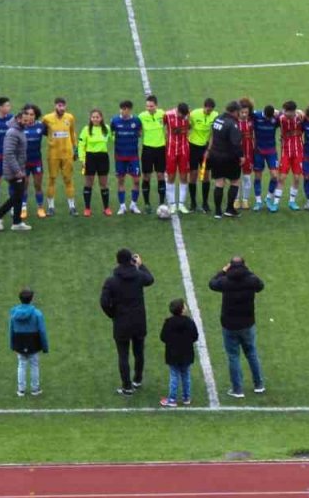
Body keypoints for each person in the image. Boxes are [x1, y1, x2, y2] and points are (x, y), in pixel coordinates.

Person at [208, 255, 265, 398]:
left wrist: (222, 270)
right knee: (251, 353)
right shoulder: (251, 280)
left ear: (231, 266)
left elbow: (212, 283)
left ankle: (237, 389)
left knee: (233, 356)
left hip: (230, 325)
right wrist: (248, 271)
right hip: (247, 323)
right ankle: (259, 384)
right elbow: (260, 285)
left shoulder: (226, 281)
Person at [100, 248, 155, 395]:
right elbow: (150, 279)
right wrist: (141, 265)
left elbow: (104, 303)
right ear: (131, 260)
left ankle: (127, 386)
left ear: (118, 261)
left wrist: (113, 314)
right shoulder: (138, 275)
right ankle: (137, 379)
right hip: (138, 321)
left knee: (123, 355)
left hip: (121, 322)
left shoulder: (111, 281)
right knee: (139, 352)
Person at [0, 104, 37, 231]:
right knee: (17, 196)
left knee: (19, 194)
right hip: (14, 171)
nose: (27, 123)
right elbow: (9, 154)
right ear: (18, 119)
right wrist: (17, 171)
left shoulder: (19, 130)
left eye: (29, 121)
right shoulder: (13, 132)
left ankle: (17, 223)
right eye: (25, 120)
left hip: (17, 169)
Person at [41, 97, 79, 216]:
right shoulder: (47, 119)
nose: (61, 108)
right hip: (53, 154)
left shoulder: (70, 117)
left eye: (63, 106)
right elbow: (43, 132)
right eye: (59, 106)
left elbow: (72, 133)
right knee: (52, 179)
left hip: (67, 154)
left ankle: (72, 207)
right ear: (55, 106)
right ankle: (51, 207)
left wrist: (75, 149)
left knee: (68, 179)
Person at [207, 100, 244, 218]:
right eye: (239, 112)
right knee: (235, 181)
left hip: (215, 155)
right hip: (229, 157)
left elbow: (212, 135)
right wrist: (241, 156)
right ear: (235, 111)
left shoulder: (218, 118)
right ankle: (229, 209)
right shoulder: (232, 124)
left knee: (219, 182)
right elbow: (235, 143)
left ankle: (218, 211)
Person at [9, 287, 49, 397]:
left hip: (19, 342)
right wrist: (45, 347)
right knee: (34, 365)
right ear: (31, 299)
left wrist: (12, 345)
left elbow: (11, 329)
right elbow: (42, 331)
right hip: (33, 343)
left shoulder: (14, 313)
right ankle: (35, 389)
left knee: (21, 364)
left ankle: (21, 390)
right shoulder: (37, 314)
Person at [159, 298, 198, 408]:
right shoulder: (189, 322)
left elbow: (163, 337)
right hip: (187, 354)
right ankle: (186, 398)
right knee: (186, 375)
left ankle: (172, 399)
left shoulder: (168, 322)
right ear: (182, 310)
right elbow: (195, 336)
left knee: (174, 376)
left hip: (172, 354)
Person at [77, 108, 113, 216]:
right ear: (90, 118)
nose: (95, 119)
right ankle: (87, 208)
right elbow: (81, 145)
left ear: (101, 118)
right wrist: (82, 159)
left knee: (103, 183)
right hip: (90, 158)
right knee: (89, 183)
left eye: (97, 117)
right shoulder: (86, 130)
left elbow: (113, 138)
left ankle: (106, 208)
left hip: (103, 158)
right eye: (93, 117)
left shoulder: (106, 128)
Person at [110, 100, 143, 214]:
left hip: (133, 156)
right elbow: (111, 133)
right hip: (120, 156)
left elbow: (139, 133)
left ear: (129, 110)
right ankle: (122, 206)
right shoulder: (115, 121)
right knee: (121, 180)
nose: (122, 111)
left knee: (137, 180)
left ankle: (133, 204)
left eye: (125, 109)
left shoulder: (136, 121)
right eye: (121, 109)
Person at [272, 101, 305, 212]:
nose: (286, 113)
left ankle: (292, 201)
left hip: (298, 152)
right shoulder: (280, 118)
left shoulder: (300, 117)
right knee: (282, 177)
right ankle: (276, 203)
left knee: (296, 178)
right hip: (286, 152)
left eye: (288, 111)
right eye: (284, 111)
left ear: (293, 111)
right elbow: (269, 115)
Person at [188, 98, 218, 213]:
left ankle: (205, 203)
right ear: (204, 107)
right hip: (193, 147)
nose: (209, 112)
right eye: (207, 110)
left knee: (206, 174)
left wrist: (209, 149)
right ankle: (193, 203)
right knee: (193, 174)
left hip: (206, 148)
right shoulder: (194, 114)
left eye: (211, 110)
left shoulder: (215, 116)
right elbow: (187, 127)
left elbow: (213, 134)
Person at [138, 95, 167, 209]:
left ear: (156, 106)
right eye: (147, 106)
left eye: (151, 106)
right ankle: (147, 203)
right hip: (148, 149)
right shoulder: (141, 116)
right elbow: (138, 130)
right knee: (146, 176)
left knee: (160, 175)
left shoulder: (162, 114)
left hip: (160, 149)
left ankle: (161, 202)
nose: (149, 108)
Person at [163, 102, 192, 214]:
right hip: (171, 150)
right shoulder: (167, 115)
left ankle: (181, 204)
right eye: (182, 115)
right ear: (178, 111)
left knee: (184, 176)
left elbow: (190, 126)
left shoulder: (188, 115)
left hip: (184, 150)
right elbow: (161, 126)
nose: (184, 117)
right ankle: (171, 204)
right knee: (171, 176)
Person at [250, 104, 279, 211]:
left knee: (275, 176)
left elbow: (291, 113)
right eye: (267, 117)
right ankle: (258, 201)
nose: (269, 119)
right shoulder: (256, 116)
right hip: (258, 151)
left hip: (271, 151)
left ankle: (268, 198)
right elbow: (244, 112)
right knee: (258, 177)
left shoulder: (276, 117)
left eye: (270, 118)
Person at [21, 111, 47, 219]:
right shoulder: (21, 126)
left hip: (36, 161)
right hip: (24, 162)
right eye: (27, 114)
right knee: (24, 185)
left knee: (38, 185)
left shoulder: (41, 126)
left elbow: (51, 134)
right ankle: (23, 208)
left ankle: (40, 208)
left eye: (32, 115)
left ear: (35, 115)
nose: (30, 117)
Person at [235, 98, 256, 209]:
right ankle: (236, 199)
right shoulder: (234, 121)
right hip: (236, 154)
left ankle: (245, 200)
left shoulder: (252, 120)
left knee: (247, 177)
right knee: (236, 177)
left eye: (246, 112)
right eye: (242, 112)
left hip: (249, 153)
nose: (243, 114)